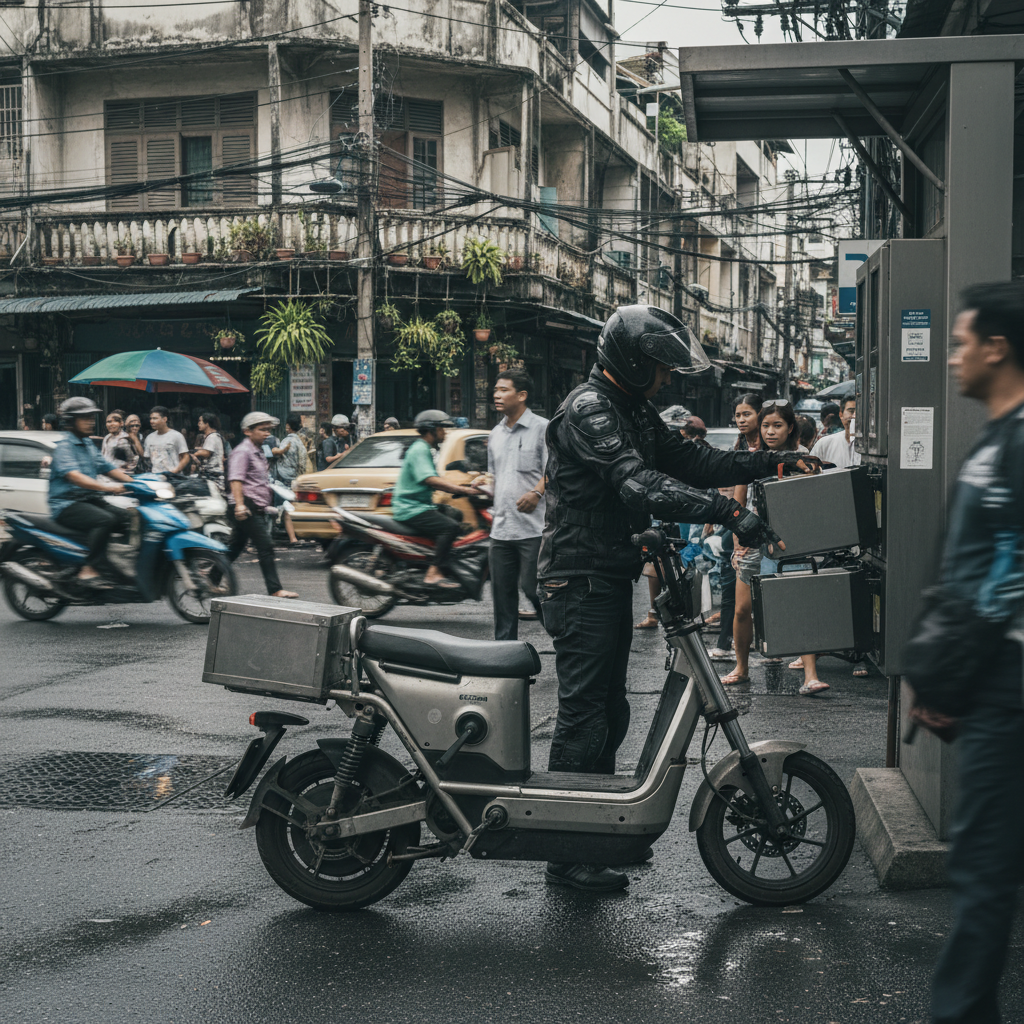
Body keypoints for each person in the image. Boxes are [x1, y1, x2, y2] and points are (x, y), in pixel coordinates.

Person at [537, 305, 818, 893]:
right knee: (586, 714)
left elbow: (694, 460)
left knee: (610, 713)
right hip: (577, 576)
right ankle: (566, 854)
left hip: (606, 574)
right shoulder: (590, 410)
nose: (667, 380)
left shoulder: (631, 407)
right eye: (660, 369)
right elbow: (638, 482)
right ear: (634, 363)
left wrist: (773, 461)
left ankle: (596, 831)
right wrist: (729, 512)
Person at [917, 283, 1024, 1024]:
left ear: (997, 347)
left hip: (1004, 685)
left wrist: (948, 678)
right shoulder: (997, 437)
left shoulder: (1017, 443)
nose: (953, 357)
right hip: (990, 680)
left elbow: (1005, 579)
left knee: (983, 869)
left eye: (960, 342)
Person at [722, 400, 827, 695]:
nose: (770, 431)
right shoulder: (751, 458)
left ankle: (810, 675)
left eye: (777, 425)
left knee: (797, 605)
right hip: (753, 542)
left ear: (790, 427)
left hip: (790, 542)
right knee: (743, 610)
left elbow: (814, 499)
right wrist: (737, 542)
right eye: (766, 425)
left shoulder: (803, 457)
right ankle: (741, 668)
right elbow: (738, 504)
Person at [485, 369, 547, 640]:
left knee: (534, 589)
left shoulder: (542, 428)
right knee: (502, 595)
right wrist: (482, 486)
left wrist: (536, 493)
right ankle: (504, 652)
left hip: (534, 530)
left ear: (521, 396)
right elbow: (494, 475)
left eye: (504, 390)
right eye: (496, 390)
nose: (497, 395)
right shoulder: (495, 433)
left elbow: (554, 470)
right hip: (501, 529)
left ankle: (564, 638)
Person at [48, 397, 134, 585]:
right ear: (70, 421)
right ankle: (88, 569)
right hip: (67, 504)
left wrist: (135, 483)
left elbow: (107, 468)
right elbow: (75, 476)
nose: (90, 421)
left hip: (88, 500)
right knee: (105, 520)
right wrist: (107, 487)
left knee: (129, 518)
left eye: (91, 417)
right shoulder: (65, 447)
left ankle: (116, 567)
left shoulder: (87, 444)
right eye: (84, 417)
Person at [392, 409, 482, 588]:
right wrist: (462, 490)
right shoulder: (420, 449)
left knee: (455, 515)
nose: (445, 432)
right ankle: (433, 572)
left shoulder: (424, 448)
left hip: (421, 505)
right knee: (450, 528)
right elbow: (431, 480)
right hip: (411, 508)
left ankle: (436, 560)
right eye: (442, 428)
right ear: (431, 429)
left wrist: (461, 488)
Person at [224, 412, 298, 599]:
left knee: (235, 548)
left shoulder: (258, 450)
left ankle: (211, 576)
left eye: (268, 430)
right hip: (245, 507)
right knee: (265, 546)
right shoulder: (243, 451)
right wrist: (240, 506)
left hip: (253, 506)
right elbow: (236, 480)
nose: (267, 434)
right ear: (247, 431)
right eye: (262, 429)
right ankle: (275, 589)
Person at [811, 396, 859, 469]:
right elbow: (811, 471)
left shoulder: (871, 447)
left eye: (860, 412)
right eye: (851, 411)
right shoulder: (824, 444)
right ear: (841, 415)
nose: (854, 416)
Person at [144, 406, 189, 475]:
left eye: (155, 418)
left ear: (164, 419)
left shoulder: (177, 436)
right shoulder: (149, 438)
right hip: (156, 477)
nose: (151, 421)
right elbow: (148, 458)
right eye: (151, 418)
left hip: (174, 477)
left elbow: (186, 457)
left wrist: (174, 471)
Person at [193, 412, 226, 487]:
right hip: (211, 475)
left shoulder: (212, 437)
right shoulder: (214, 436)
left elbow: (206, 453)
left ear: (207, 423)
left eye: (200, 421)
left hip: (213, 476)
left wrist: (195, 453)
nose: (198, 424)